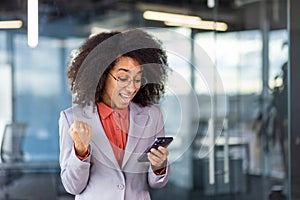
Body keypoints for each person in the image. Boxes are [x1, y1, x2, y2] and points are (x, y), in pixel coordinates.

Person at [59, 29, 171, 199]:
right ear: (101, 75)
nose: (132, 87)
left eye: (137, 79)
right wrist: (80, 151)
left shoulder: (152, 116)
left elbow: (157, 182)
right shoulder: (72, 119)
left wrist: (160, 165)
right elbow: (72, 186)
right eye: (123, 78)